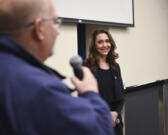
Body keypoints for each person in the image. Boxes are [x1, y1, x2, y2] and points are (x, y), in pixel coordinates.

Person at [0, 0, 115, 135]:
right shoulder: (41, 88)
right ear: (39, 28)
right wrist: (91, 93)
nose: (58, 32)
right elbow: (99, 130)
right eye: (55, 22)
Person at [84, 30, 125, 135]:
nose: (105, 45)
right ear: (94, 45)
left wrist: (115, 113)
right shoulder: (87, 66)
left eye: (107, 41)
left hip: (115, 123)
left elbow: (121, 96)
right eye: (100, 42)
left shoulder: (115, 67)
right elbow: (86, 97)